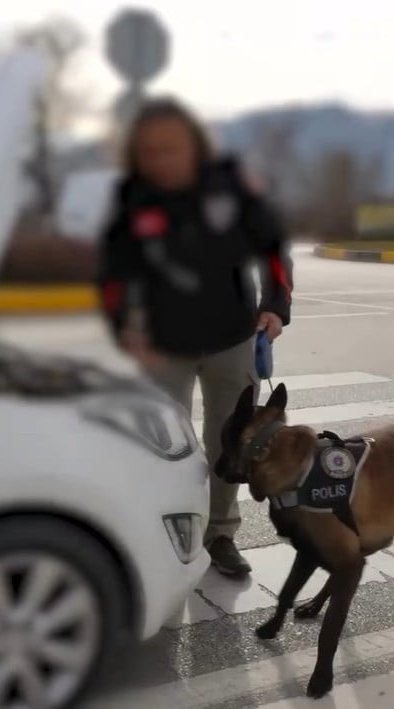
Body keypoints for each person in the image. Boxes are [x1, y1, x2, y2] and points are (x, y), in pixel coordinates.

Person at [97, 97, 293, 578]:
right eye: (149, 150)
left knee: (231, 442)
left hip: (233, 337)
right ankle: (165, 538)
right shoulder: (131, 196)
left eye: (171, 147)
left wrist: (275, 305)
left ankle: (220, 534)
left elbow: (273, 247)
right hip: (164, 345)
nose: (161, 158)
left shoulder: (232, 184)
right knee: (162, 448)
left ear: (194, 145)